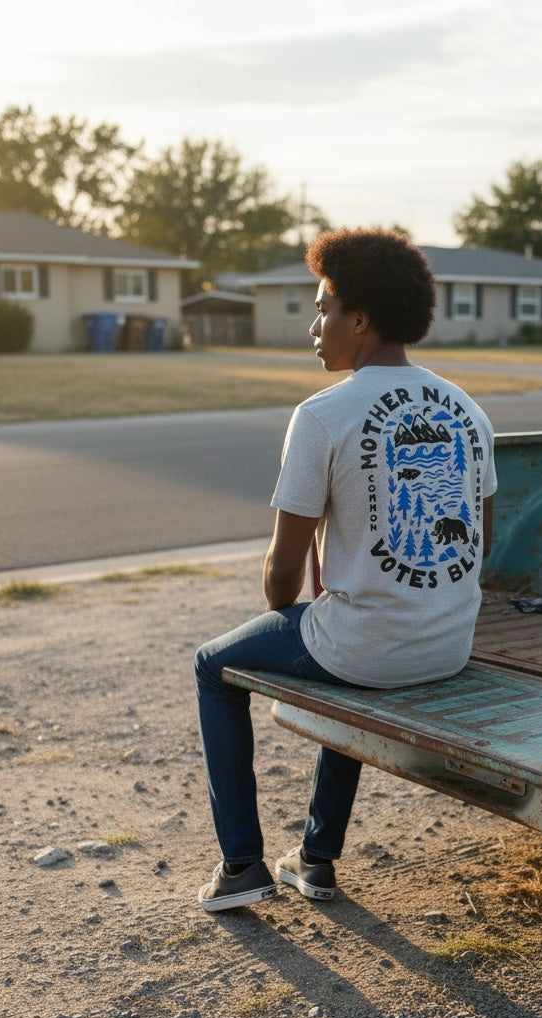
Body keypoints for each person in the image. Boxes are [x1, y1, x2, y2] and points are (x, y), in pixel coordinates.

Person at [195, 228, 497, 911]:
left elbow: (282, 576)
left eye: (324, 307)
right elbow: (481, 543)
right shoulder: (468, 410)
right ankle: (314, 860)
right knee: (348, 640)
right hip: (448, 644)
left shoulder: (323, 415)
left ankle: (241, 866)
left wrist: (303, 606)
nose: (314, 326)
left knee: (213, 667)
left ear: (360, 320)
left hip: (370, 646)